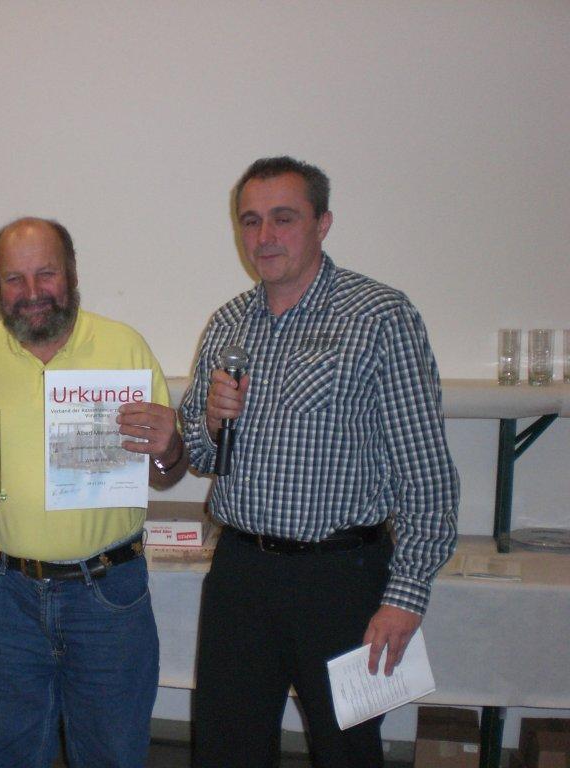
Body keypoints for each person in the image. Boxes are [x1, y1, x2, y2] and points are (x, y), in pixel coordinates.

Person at [181, 156, 459, 768]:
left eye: (283, 218)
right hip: (241, 574)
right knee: (226, 751)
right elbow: (199, 455)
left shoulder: (380, 316)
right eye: (250, 221)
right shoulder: (228, 323)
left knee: (346, 752)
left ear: (322, 223)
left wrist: (405, 595)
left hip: (342, 580)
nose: (264, 236)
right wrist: (211, 421)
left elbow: (427, 474)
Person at [0, 217, 186, 768]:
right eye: (13, 279)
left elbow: (165, 472)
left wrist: (170, 446)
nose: (31, 293)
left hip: (108, 593)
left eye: (45, 274)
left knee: (113, 753)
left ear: (71, 273)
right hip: (5, 593)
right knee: (13, 753)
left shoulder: (125, 347)